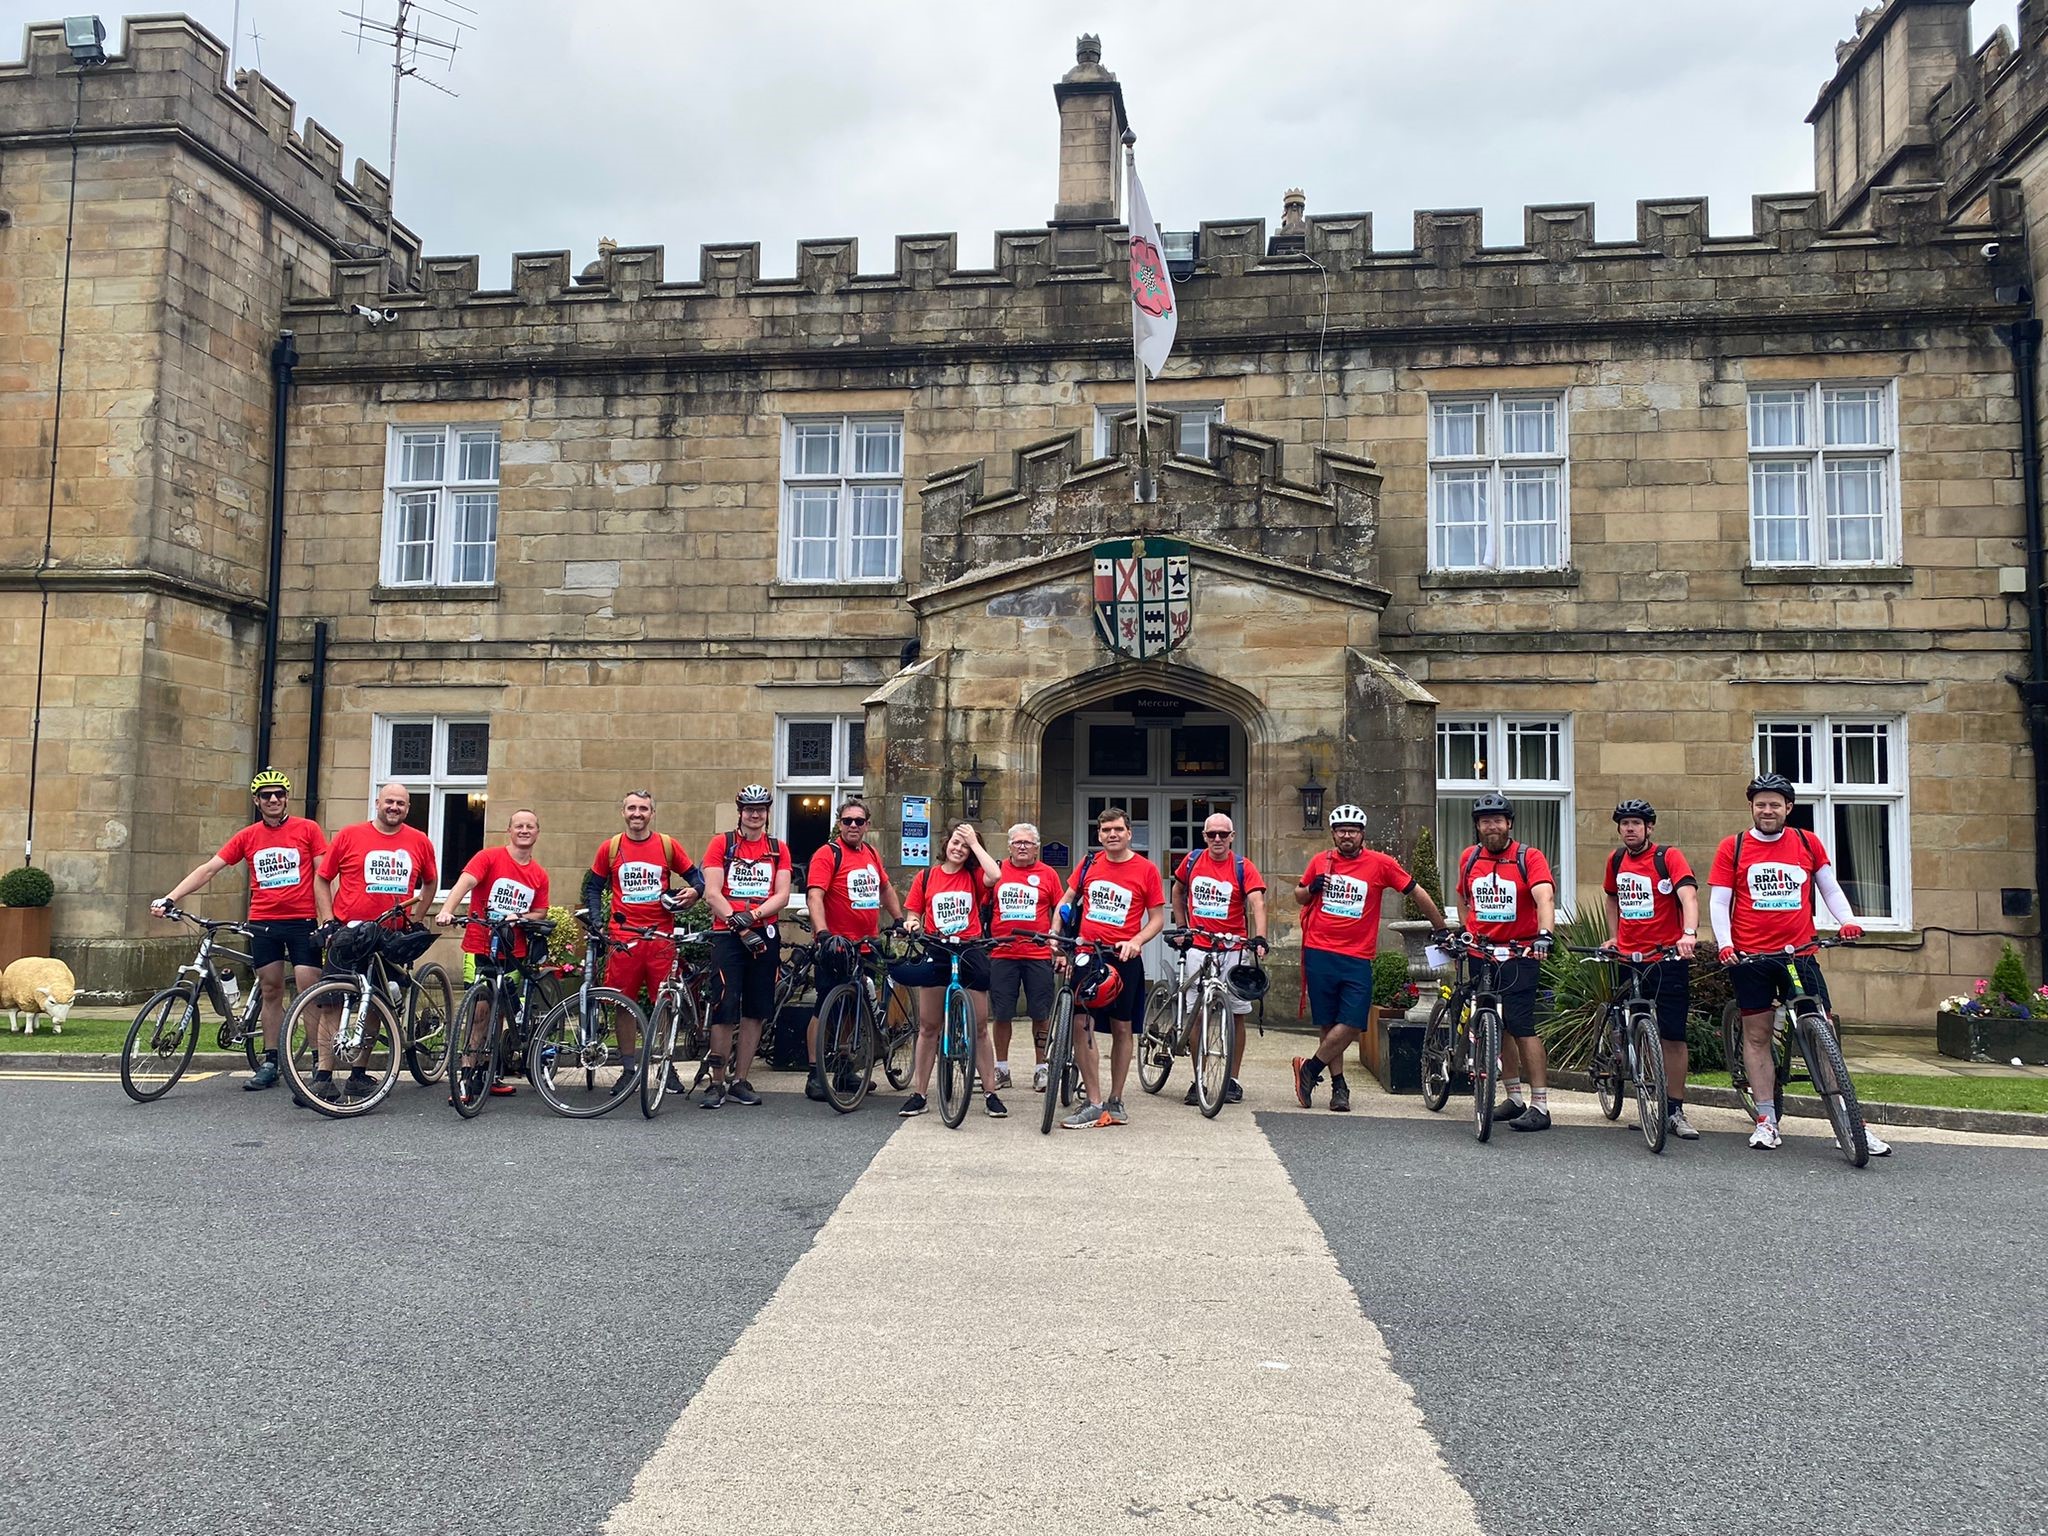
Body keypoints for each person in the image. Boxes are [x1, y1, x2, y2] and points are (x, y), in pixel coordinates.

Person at [1709, 772, 1887, 1155]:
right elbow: (1720, 902)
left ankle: (1851, 1120)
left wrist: (1848, 921)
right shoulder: (1734, 846)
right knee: (1757, 1036)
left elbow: (1829, 887)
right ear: (1752, 808)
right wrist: (1725, 945)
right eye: (1761, 804)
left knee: (1822, 1032)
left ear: (1788, 808)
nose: (1767, 810)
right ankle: (1766, 1120)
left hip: (1799, 953)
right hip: (1751, 957)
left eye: (1775, 804)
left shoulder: (1807, 842)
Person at [153, 768, 328, 1092]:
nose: (273, 799)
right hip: (263, 922)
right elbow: (209, 869)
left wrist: (330, 916)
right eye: (266, 795)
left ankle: (320, 1066)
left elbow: (323, 874)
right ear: (256, 801)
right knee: (270, 989)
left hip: (303, 920)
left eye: (279, 794)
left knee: (309, 988)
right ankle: (271, 1061)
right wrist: (170, 897)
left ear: (287, 797)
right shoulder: (248, 836)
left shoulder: (308, 829)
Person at [1291, 804, 1446, 1113]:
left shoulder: (1381, 864)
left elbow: (1416, 891)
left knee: (1351, 1022)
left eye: (1353, 830)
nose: (1346, 835)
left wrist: (1441, 928)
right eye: (1341, 830)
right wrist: (1310, 888)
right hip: (1319, 951)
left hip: (1357, 956)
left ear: (1362, 834)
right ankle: (1338, 1087)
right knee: (1329, 1022)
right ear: (1334, 834)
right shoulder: (1320, 861)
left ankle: (1309, 1069)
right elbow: (1298, 894)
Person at [311, 781, 438, 1102]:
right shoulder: (350, 835)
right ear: (377, 803)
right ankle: (323, 1077)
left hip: (391, 935)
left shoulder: (419, 841)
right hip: (349, 932)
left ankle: (357, 1075)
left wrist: (418, 918)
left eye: (401, 804)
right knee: (332, 1003)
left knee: (377, 1006)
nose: (394, 807)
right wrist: (327, 920)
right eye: (389, 802)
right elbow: (322, 878)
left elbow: (430, 882)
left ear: (408, 809)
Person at [1451, 793, 1556, 1131]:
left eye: (1498, 820)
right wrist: (1468, 931)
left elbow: (1544, 896)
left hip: (1520, 952)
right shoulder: (1469, 857)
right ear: (1478, 826)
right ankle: (1513, 1098)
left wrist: (1544, 934)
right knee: (1496, 1026)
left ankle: (1540, 1105)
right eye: (1485, 821)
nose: (1491, 826)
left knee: (1521, 1024)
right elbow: (1463, 897)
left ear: (1509, 823)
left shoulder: (1529, 857)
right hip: (1482, 953)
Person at [580, 789, 702, 1079]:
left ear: (652, 813)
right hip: (623, 938)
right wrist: (597, 922)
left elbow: (697, 877)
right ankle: (628, 1068)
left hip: (661, 937)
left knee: (666, 1003)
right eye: (632, 808)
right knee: (624, 1004)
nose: (637, 814)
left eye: (643, 809)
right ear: (623, 812)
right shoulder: (610, 848)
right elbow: (593, 888)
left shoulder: (666, 845)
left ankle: (665, 1065)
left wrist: (694, 892)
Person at [1058, 806, 1167, 1129]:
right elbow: (1066, 901)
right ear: (1099, 835)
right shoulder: (1089, 864)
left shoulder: (1146, 869)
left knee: (1122, 1028)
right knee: (1082, 1024)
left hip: (1124, 958)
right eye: (1106, 831)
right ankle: (1093, 1101)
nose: (1112, 835)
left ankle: (1115, 1098)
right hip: (1087, 955)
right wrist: (1058, 942)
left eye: (1118, 829)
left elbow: (1157, 919)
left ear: (1129, 833)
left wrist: (1136, 940)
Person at [1600, 799, 1700, 1139]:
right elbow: (1612, 898)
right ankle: (1643, 1091)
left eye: (1636, 823)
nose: (1630, 828)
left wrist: (1688, 934)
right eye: (1625, 823)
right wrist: (1613, 937)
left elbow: (1688, 896)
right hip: (1629, 957)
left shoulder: (1667, 857)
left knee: (1672, 1034)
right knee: (1632, 1023)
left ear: (1649, 828)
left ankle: (1674, 1109)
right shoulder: (1615, 860)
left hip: (1666, 957)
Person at [434, 808, 550, 1098]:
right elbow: (466, 882)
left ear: (537, 833)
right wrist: (447, 910)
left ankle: (490, 1071)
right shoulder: (489, 857)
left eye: (530, 826)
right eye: (519, 825)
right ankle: (467, 1075)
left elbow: (540, 911)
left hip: (515, 950)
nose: (524, 830)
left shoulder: (538, 874)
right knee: (481, 1012)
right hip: (481, 944)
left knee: (502, 1010)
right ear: (509, 830)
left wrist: (520, 916)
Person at [896, 820, 1006, 1118]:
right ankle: (919, 1093)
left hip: (970, 948)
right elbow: (913, 910)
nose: (959, 848)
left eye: (965, 845)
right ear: (945, 845)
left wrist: (974, 841)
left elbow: (996, 875)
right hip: (938, 947)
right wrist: (913, 923)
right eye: (955, 842)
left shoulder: (974, 876)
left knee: (981, 1028)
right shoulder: (927, 876)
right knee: (929, 1027)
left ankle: (990, 1093)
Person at [804, 796, 905, 1101]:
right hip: (837, 945)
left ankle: (846, 1069)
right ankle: (814, 1074)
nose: (852, 826)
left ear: (867, 825)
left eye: (858, 821)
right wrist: (822, 933)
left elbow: (885, 888)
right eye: (847, 821)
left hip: (867, 942)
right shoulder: (827, 854)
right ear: (839, 824)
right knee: (824, 1005)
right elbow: (814, 896)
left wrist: (899, 918)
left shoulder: (871, 853)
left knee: (855, 1005)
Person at [699, 784, 793, 1108]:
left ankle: (741, 1080)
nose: (755, 814)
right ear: (740, 812)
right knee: (725, 1006)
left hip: (763, 933)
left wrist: (751, 916)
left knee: (755, 1010)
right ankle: (716, 1081)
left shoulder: (778, 849)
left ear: (767, 813)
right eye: (749, 809)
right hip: (727, 935)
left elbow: (781, 894)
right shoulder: (721, 844)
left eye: (761, 809)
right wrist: (735, 921)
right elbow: (712, 892)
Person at [1170, 812, 1270, 1107]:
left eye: (1222, 835)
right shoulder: (1191, 861)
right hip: (1199, 946)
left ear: (1232, 837)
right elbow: (1177, 889)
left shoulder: (1242, 867)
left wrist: (1260, 937)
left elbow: (1257, 902)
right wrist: (1181, 926)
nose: (1217, 839)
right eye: (1211, 834)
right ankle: (1199, 1078)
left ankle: (1232, 1080)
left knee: (1236, 1014)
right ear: (1204, 836)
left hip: (1232, 949)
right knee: (1196, 1015)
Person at [986, 822, 1059, 1093]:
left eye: (1028, 842)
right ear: (1009, 847)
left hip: (1038, 954)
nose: (1022, 847)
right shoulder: (997, 871)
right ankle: (1002, 1068)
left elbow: (1059, 910)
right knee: (1002, 1014)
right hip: (1002, 952)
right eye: (1017, 842)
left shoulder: (1048, 874)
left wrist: (1056, 942)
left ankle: (1042, 1068)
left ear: (1037, 847)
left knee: (1040, 1015)